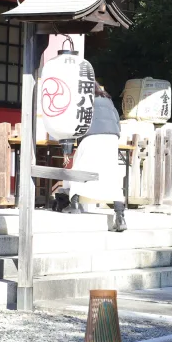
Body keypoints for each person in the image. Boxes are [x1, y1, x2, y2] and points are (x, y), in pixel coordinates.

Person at [54, 83, 128, 232]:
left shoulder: (82, 100)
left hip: (91, 138)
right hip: (111, 139)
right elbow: (117, 124)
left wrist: (66, 149)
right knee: (111, 175)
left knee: (80, 169)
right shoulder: (107, 100)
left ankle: (74, 203)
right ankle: (120, 215)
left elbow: (72, 125)